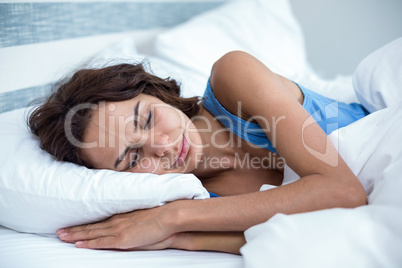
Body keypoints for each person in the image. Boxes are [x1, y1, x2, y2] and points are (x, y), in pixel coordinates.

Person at [28, 51, 368, 254]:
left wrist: (172, 221)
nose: (162, 146)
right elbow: (307, 233)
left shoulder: (233, 77)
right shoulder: (197, 200)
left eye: (146, 118)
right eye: (132, 159)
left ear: (154, 92)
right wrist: (180, 238)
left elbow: (342, 191)